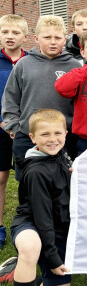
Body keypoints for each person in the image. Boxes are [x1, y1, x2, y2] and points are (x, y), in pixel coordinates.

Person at [1, 15, 80, 180]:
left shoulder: (74, 66)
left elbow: (79, 101)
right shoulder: (23, 64)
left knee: (63, 183)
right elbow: (11, 98)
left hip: (63, 137)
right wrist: (14, 127)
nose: (53, 41)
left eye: (58, 37)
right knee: (29, 183)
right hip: (27, 136)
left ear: (64, 39)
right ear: (36, 38)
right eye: (47, 37)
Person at [10, 109, 72, 286]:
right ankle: (25, 263)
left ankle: (18, 270)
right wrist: (52, 258)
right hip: (33, 224)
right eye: (45, 134)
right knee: (30, 247)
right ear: (32, 137)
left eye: (57, 133)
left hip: (58, 226)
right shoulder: (37, 172)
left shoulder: (61, 155)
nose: (52, 139)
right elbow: (42, 218)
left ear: (65, 134)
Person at [0, 14, 28, 248]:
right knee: (0, 178)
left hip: (26, 130)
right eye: (5, 32)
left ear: (25, 37)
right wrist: (4, 123)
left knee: (26, 179)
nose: (10, 37)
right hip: (1, 128)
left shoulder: (31, 61)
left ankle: (26, 225)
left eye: (15, 33)